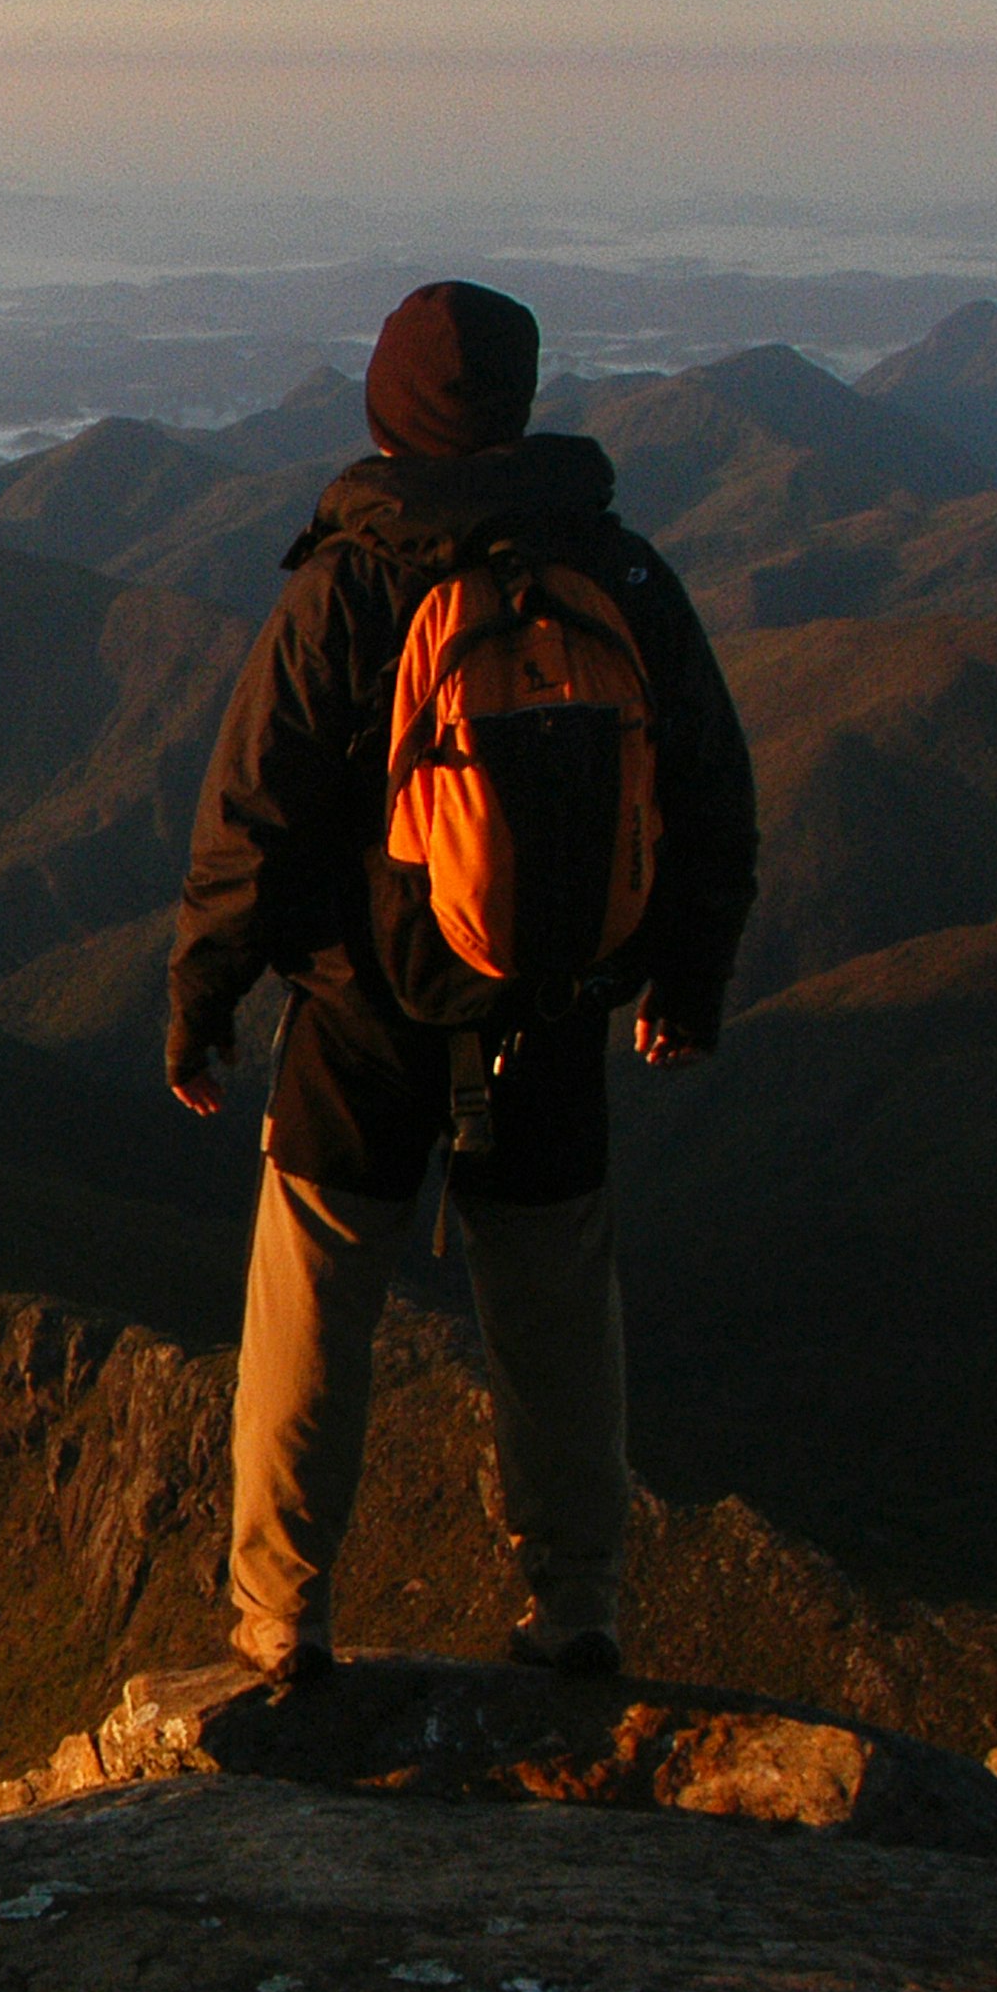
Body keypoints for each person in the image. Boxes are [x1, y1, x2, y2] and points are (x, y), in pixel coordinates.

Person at [164, 279, 757, 1688]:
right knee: (557, 1310)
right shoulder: (619, 576)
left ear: (391, 402)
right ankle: (579, 1610)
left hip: (364, 1010)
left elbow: (251, 815)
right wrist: (688, 977)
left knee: (313, 1298)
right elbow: (710, 797)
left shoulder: (352, 583)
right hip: (551, 1005)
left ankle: (279, 1622)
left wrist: (205, 999)